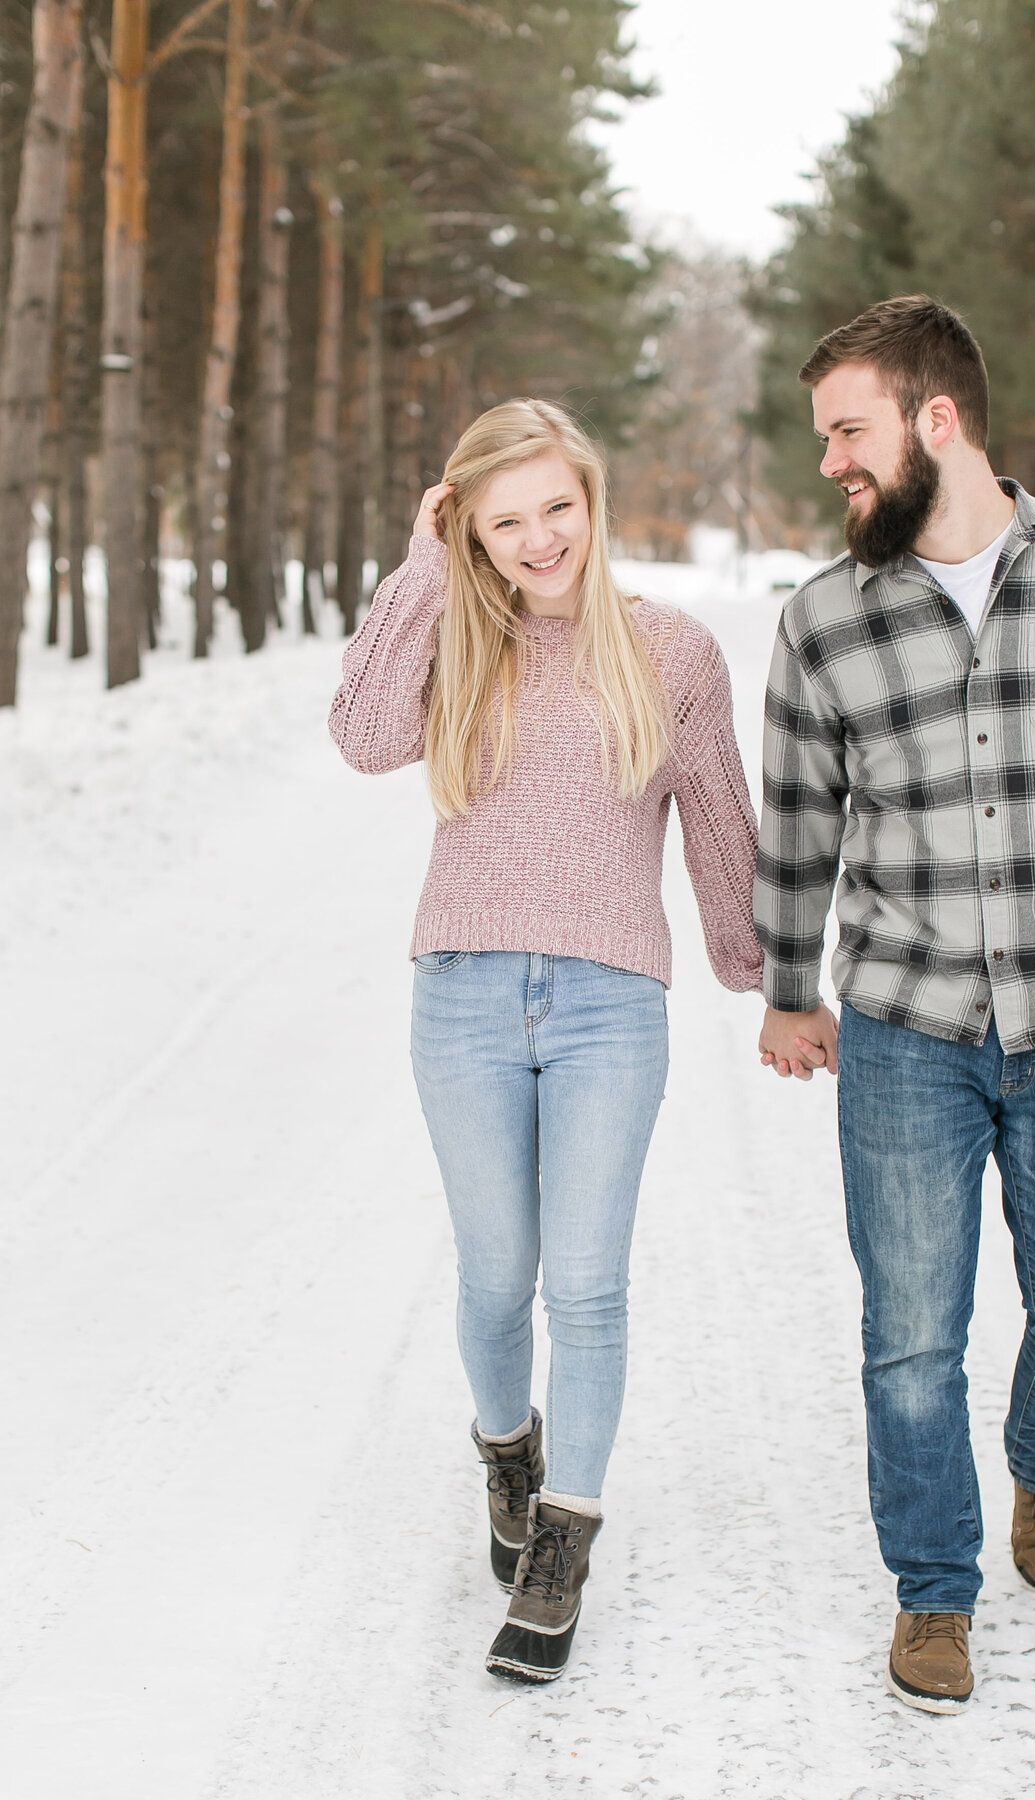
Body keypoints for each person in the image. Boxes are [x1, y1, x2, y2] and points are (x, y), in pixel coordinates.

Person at [754, 295, 1035, 1714]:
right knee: (909, 1336)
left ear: (935, 419)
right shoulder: (823, 619)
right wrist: (784, 986)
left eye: (849, 431)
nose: (830, 462)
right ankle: (935, 1591)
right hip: (904, 1032)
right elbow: (799, 824)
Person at [329, 399, 763, 1683]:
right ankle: (505, 1445)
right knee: (493, 1274)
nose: (537, 540)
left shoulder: (669, 650)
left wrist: (758, 971)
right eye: (502, 519)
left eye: (556, 508)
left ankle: (563, 1536)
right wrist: (423, 563)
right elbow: (360, 737)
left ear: (595, 498)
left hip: (608, 1008)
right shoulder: (458, 636)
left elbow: (720, 820)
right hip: (460, 994)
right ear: (468, 524)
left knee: (587, 1282)